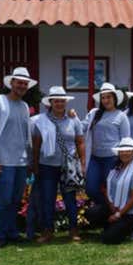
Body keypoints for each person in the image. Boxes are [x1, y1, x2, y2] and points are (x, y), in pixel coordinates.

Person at [0, 66, 35, 249]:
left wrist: (29, 160)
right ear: (11, 83)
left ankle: (12, 232)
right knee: (4, 199)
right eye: (18, 82)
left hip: (20, 161)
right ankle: (0, 234)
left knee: (15, 200)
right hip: (4, 161)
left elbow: (26, 136)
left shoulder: (24, 106)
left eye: (24, 83)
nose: (21, 86)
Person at [30, 86, 85, 243]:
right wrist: (35, 165)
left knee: (70, 199)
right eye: (56, 101)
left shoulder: (73, 121)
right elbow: (36, 145)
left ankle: (73, 229)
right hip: (47, 166)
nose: (59, 104)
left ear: (65, 102)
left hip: (69, 167)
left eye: (62, 101)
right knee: (47, 199)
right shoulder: (41, 121)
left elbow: (80, 142)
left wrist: (82, 163)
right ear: (50, 103)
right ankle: (47, 231)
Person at [85, 137, 133, 244]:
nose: (125, 153)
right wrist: (111, 206)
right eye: (122, 151)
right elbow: (107, 190)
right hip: (114, 207)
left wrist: (118, 214)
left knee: (108, 239)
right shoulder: (115, 169)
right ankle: (112, 226)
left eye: (128, 151)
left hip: (129, 212)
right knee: (91, 213)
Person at [83, 82, 130, 205]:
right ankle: (105, 209)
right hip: (95, 158)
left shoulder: (121, 116)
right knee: (91, 189)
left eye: (108, 97)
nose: (105, 100)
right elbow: (82, 127)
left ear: (114, 98)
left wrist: (124, 161)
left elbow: (126, 140)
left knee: (112, 190)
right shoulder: (94, 113)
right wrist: (72, 118)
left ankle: (112, 215)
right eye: (103, 97)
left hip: (112, 159)